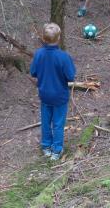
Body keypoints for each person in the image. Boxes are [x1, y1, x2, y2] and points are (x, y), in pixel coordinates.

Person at [30, 23, 76, 160]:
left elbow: (33, 72)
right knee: (58, 123)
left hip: (44, 94)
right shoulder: (63, 57)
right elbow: (71, 76)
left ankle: (46, 147)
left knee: (45, 121)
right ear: (59, 38)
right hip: (60, 96)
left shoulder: (38, 54)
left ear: (43, 38)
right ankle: (56, 150)